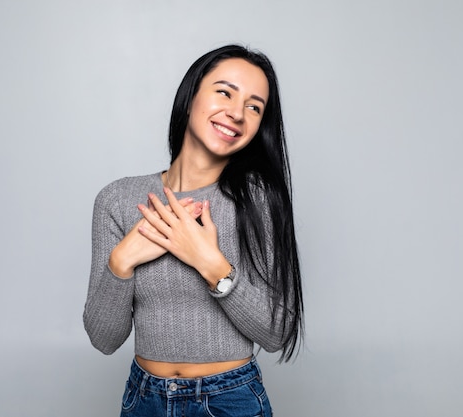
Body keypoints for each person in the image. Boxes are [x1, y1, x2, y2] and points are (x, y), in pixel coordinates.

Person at [83, 44, 303, 417]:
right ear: (190, 98)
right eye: (224, 92)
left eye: (254, 107)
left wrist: (210, 262)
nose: (236, 113)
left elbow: (276, 333)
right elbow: (104, 340)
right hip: (144, 400)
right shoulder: (117, 199)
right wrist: (121, 260)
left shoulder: (258, 199)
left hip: (230, 399)